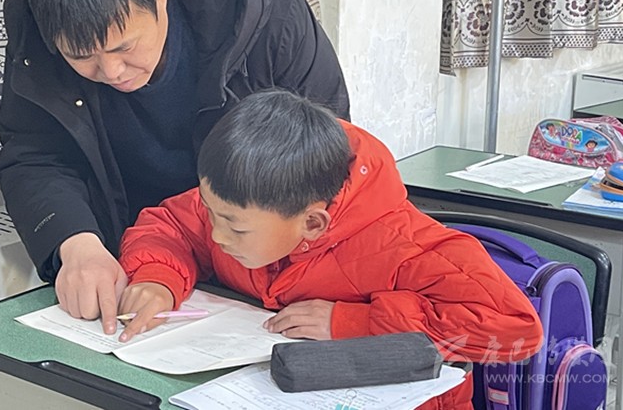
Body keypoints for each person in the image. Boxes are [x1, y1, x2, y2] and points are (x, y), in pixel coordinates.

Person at [0, 0, 349, 334]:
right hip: (143, 258)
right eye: (81, 57)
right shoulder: (38, 26)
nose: (111, 72)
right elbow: (34, 154)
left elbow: (325, 154)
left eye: (124, 47)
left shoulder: (265, 18)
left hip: (262, 261)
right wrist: (77, 244)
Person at [117, 90, 543, 410]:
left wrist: (353, 322)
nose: (216, 235)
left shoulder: (406, 245)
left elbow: (516, 328)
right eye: (212, 213)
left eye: (234, 227)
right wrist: (158, 278)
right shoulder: (245, 199)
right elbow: (173, 223)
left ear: (312, 224)